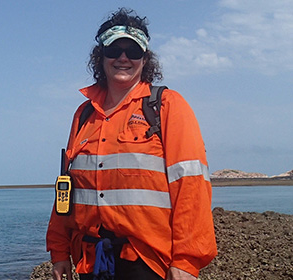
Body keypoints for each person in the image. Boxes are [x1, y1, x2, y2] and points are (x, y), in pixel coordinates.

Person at [46, 8, 217, 280]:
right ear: (100, 56)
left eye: (133, 51)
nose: (123, 57)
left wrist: (186, 262)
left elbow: (191, 186)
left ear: (145, 59)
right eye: (114, 50)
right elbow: (67, 188)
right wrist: (58, 251)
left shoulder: (167, 106)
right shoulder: (84, 114)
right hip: (91, 262)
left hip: (148, 262)